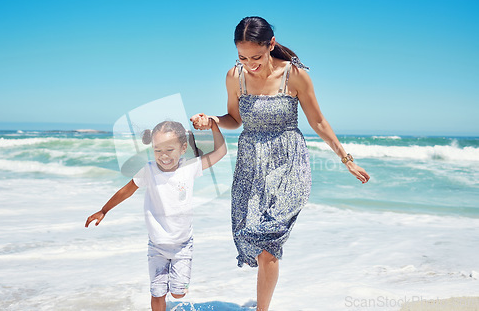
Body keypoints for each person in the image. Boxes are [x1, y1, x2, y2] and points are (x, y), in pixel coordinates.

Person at [190, 16, 370, 311]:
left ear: (271, 44)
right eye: (243, 57)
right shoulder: (234, 76)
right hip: (251, 164)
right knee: (253, 238)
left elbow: (318, 121)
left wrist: (345, 158)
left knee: (269, 243)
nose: (250, 64)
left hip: (288, 163)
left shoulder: (295, 75)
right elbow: (234, 119)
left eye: (257, 57)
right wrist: (211, 120)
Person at [85, 120, 226, 311]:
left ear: (183, 148)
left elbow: (221, 152)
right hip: (157, 245)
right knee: (157, 292)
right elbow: (126, 191)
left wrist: (214, 126)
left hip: (182, 246)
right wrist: (103, 210)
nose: (163, 156)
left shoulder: (190, 167)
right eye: (158, 150)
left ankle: (175, 286)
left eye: (169, 149)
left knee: (178, 293)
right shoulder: (148, 170)